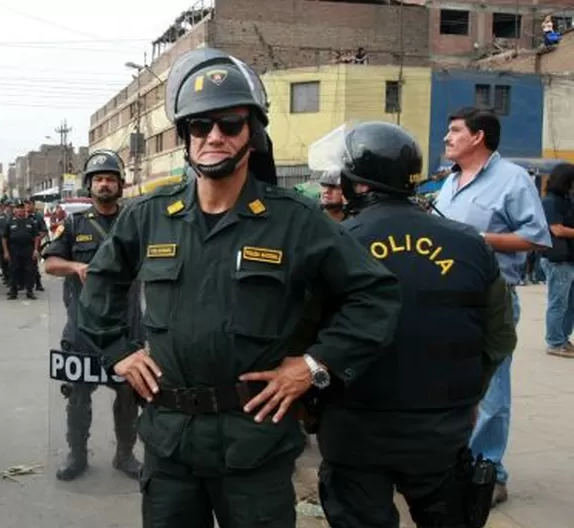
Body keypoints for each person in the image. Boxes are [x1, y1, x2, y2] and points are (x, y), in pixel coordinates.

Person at [76, 48, 402, 528]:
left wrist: (315, 366)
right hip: (170, 444)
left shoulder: (295, 219)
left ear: (252, 134)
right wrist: (117, 350)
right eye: (200, 126)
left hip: (255, 443)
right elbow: (101, 281)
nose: (214, 136)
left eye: (229, 124)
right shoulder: (148, 216)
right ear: (186, 138)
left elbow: (375, 296)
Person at [313, 121, 516, 527]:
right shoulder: (471, 243)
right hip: (441, 431)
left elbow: (301, 336)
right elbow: (499, 337)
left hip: (353, 431)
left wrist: (312, 406)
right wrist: (468, 396)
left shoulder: (328, 243)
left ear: (358, 184)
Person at [433, 106, 551, 506]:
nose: (446, 138)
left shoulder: (513, 179)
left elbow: (536, 236)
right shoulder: (449, 182)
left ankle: (489, 473)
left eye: (454, 131)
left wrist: (477, 238)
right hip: (445, 298)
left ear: (478, 136)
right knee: (450, 386)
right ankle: (453, 462)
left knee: (491, 390)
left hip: (491, 299)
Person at [43, 149, 143, 481]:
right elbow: (50, 263)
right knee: (78, 396)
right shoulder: (72, 225)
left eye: (110, 179)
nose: (104, 184)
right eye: (99, 179)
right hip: (82, 330)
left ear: (120, 185)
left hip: (128, 329)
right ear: (90, 185)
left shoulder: (136, 220)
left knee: (128, 396)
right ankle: (77, 455)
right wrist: (76, 265)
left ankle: (125, 455)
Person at [538, 162, 574, 358]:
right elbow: (557, 229)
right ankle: (555, 341)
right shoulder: (550, 202)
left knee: (570, 302)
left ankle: (563, 337)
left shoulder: (567, 199)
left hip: (569, 258)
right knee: (559, 301)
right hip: (558, 258)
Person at [2, 199, 41, 300]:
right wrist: (6, 252)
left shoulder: (31, 221)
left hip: (28, 249)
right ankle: (13, 291)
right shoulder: (9, 222)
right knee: (14, 270)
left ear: (24, 210)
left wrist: (36, 250)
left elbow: (36, 237)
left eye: (22, 209)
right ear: (15, 210)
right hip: (14, 250)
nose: (20, 211)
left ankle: (29, 291)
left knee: (29, 271)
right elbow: (4, 238)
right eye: (18, 209)